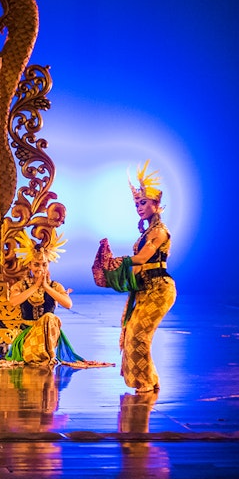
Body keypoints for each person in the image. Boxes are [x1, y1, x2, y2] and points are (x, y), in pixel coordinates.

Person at [93, 161, 176, 393]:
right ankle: (149, 379)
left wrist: (117, 262)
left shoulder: (159, 232)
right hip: (145, 289)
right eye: (136, 203)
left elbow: (141, 259)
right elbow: (137, 264)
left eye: (143, 202)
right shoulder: (148, 231)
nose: (139, 207)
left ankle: (145, 383)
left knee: (138, 334)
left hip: (160, 289)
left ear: (156, 204)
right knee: (132, 332)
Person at [5, 230, 103, 368]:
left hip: (48, 339)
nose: (40, 268)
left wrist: (46, 287)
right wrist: (35, 287)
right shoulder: (21, 286)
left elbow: (68, 304)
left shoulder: (55, 286)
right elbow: (13, 301)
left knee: (50, 318)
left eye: (44, 264)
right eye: (36, 264)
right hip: (28, 336)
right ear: (29, 265)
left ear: (48, 265)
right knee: (47, 319)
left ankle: (48, 355)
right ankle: (40, 356)